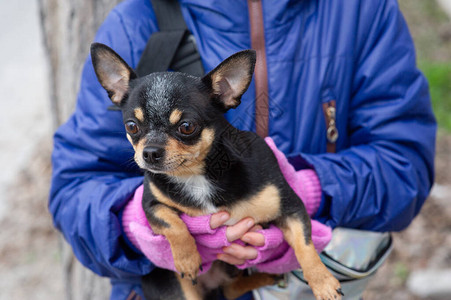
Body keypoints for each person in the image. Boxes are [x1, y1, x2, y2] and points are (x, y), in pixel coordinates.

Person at [49, 0, 436, 299]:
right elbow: (74, 189)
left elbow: (405, 166)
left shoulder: (360, 11)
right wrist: (133, 225)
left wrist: (309, 190)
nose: (149, 147)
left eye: (184, 128)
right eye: (134, 129)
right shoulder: (137, 21)